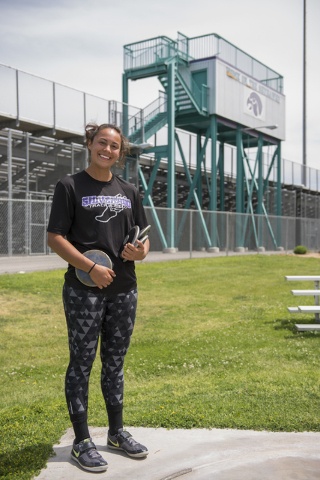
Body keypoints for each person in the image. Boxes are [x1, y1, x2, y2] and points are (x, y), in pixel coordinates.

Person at [47, 123, 150, 473]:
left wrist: (141, 252)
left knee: (115, 363)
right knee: (82, 363)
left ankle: (117, 432)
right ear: (90, 144)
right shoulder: (70, 186)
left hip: (123, 289)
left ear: (121, 152)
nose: (107, 149)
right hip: (84, 291)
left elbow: (144, 236)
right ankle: (82, 441)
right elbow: (55, 237)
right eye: (102, 143)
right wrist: (90, 267)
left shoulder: (129, 190)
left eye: (115, 145)